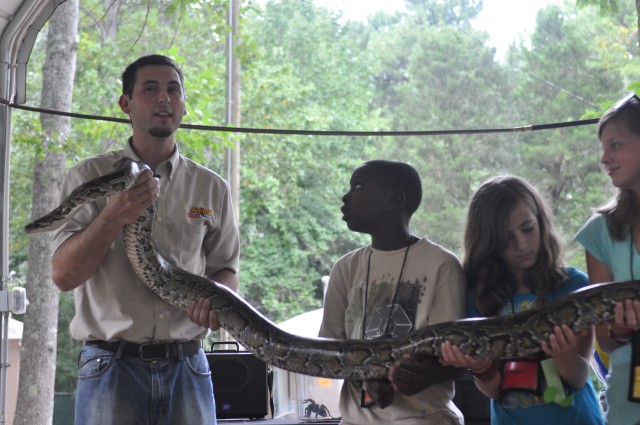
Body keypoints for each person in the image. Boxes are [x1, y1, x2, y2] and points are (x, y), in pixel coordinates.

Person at [50, 54, 240, 425]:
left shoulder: (211, 187)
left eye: (173, 90)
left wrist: (217, 302)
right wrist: (113, 216)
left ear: (184, 104)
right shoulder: (89, 178)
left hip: (189, 364)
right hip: (110, 368)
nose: (164, 99)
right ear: (126, 104)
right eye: (150, 89)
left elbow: (226, 270)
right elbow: (63, 275)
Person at [440, 175, 604, 425]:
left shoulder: (574, 286)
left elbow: (579, 377)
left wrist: (563, 353)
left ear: (541, 221)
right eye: (507, 238)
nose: (522, 244)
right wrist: (481, 367)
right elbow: (495, 390)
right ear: (488, 241)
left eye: (528, 228)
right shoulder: (479, 298)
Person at [318, 159, 466, 425]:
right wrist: (366, 377)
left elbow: (457, 355)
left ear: (395, 200)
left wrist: (424, 374)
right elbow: (328, 352)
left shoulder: (442, 265)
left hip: (426, 419)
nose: (346, 196)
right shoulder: (345, 268)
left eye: (358, 187)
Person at [575, 92, 640, 425]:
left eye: (615, 146)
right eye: (603, 148)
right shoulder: (599, 233)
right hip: (628, 402)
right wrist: (620, 330)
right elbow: (603, 339)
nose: (604, 158)